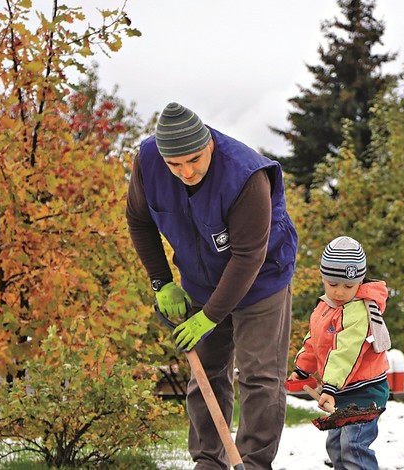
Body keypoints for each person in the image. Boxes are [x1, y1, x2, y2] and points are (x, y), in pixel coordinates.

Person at [126, 102, 298, 469]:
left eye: (194, 160)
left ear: (209, 145)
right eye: (175, 164)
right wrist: (162, 283)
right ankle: (208, 461)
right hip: (200, 279)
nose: (186, 171)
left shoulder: (246, 175)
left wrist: (210, 317)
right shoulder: (147, 163)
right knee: (206, 373)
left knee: (260, 375)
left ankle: (253, 463)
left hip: (262, 278)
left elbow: (248, 256)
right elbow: (139, 221)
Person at [289, 236, 390, 470]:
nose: (340, 292)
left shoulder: (360, 311)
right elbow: (315, 341)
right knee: (336, 447)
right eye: (333, 284)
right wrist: (302, 370)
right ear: (323, 278)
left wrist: (330, 387)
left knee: (353, 447)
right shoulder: (326, 306)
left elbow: (346, 352)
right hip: (340, 391)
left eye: (348, 286)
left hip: (364, 393)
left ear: (360, 282)